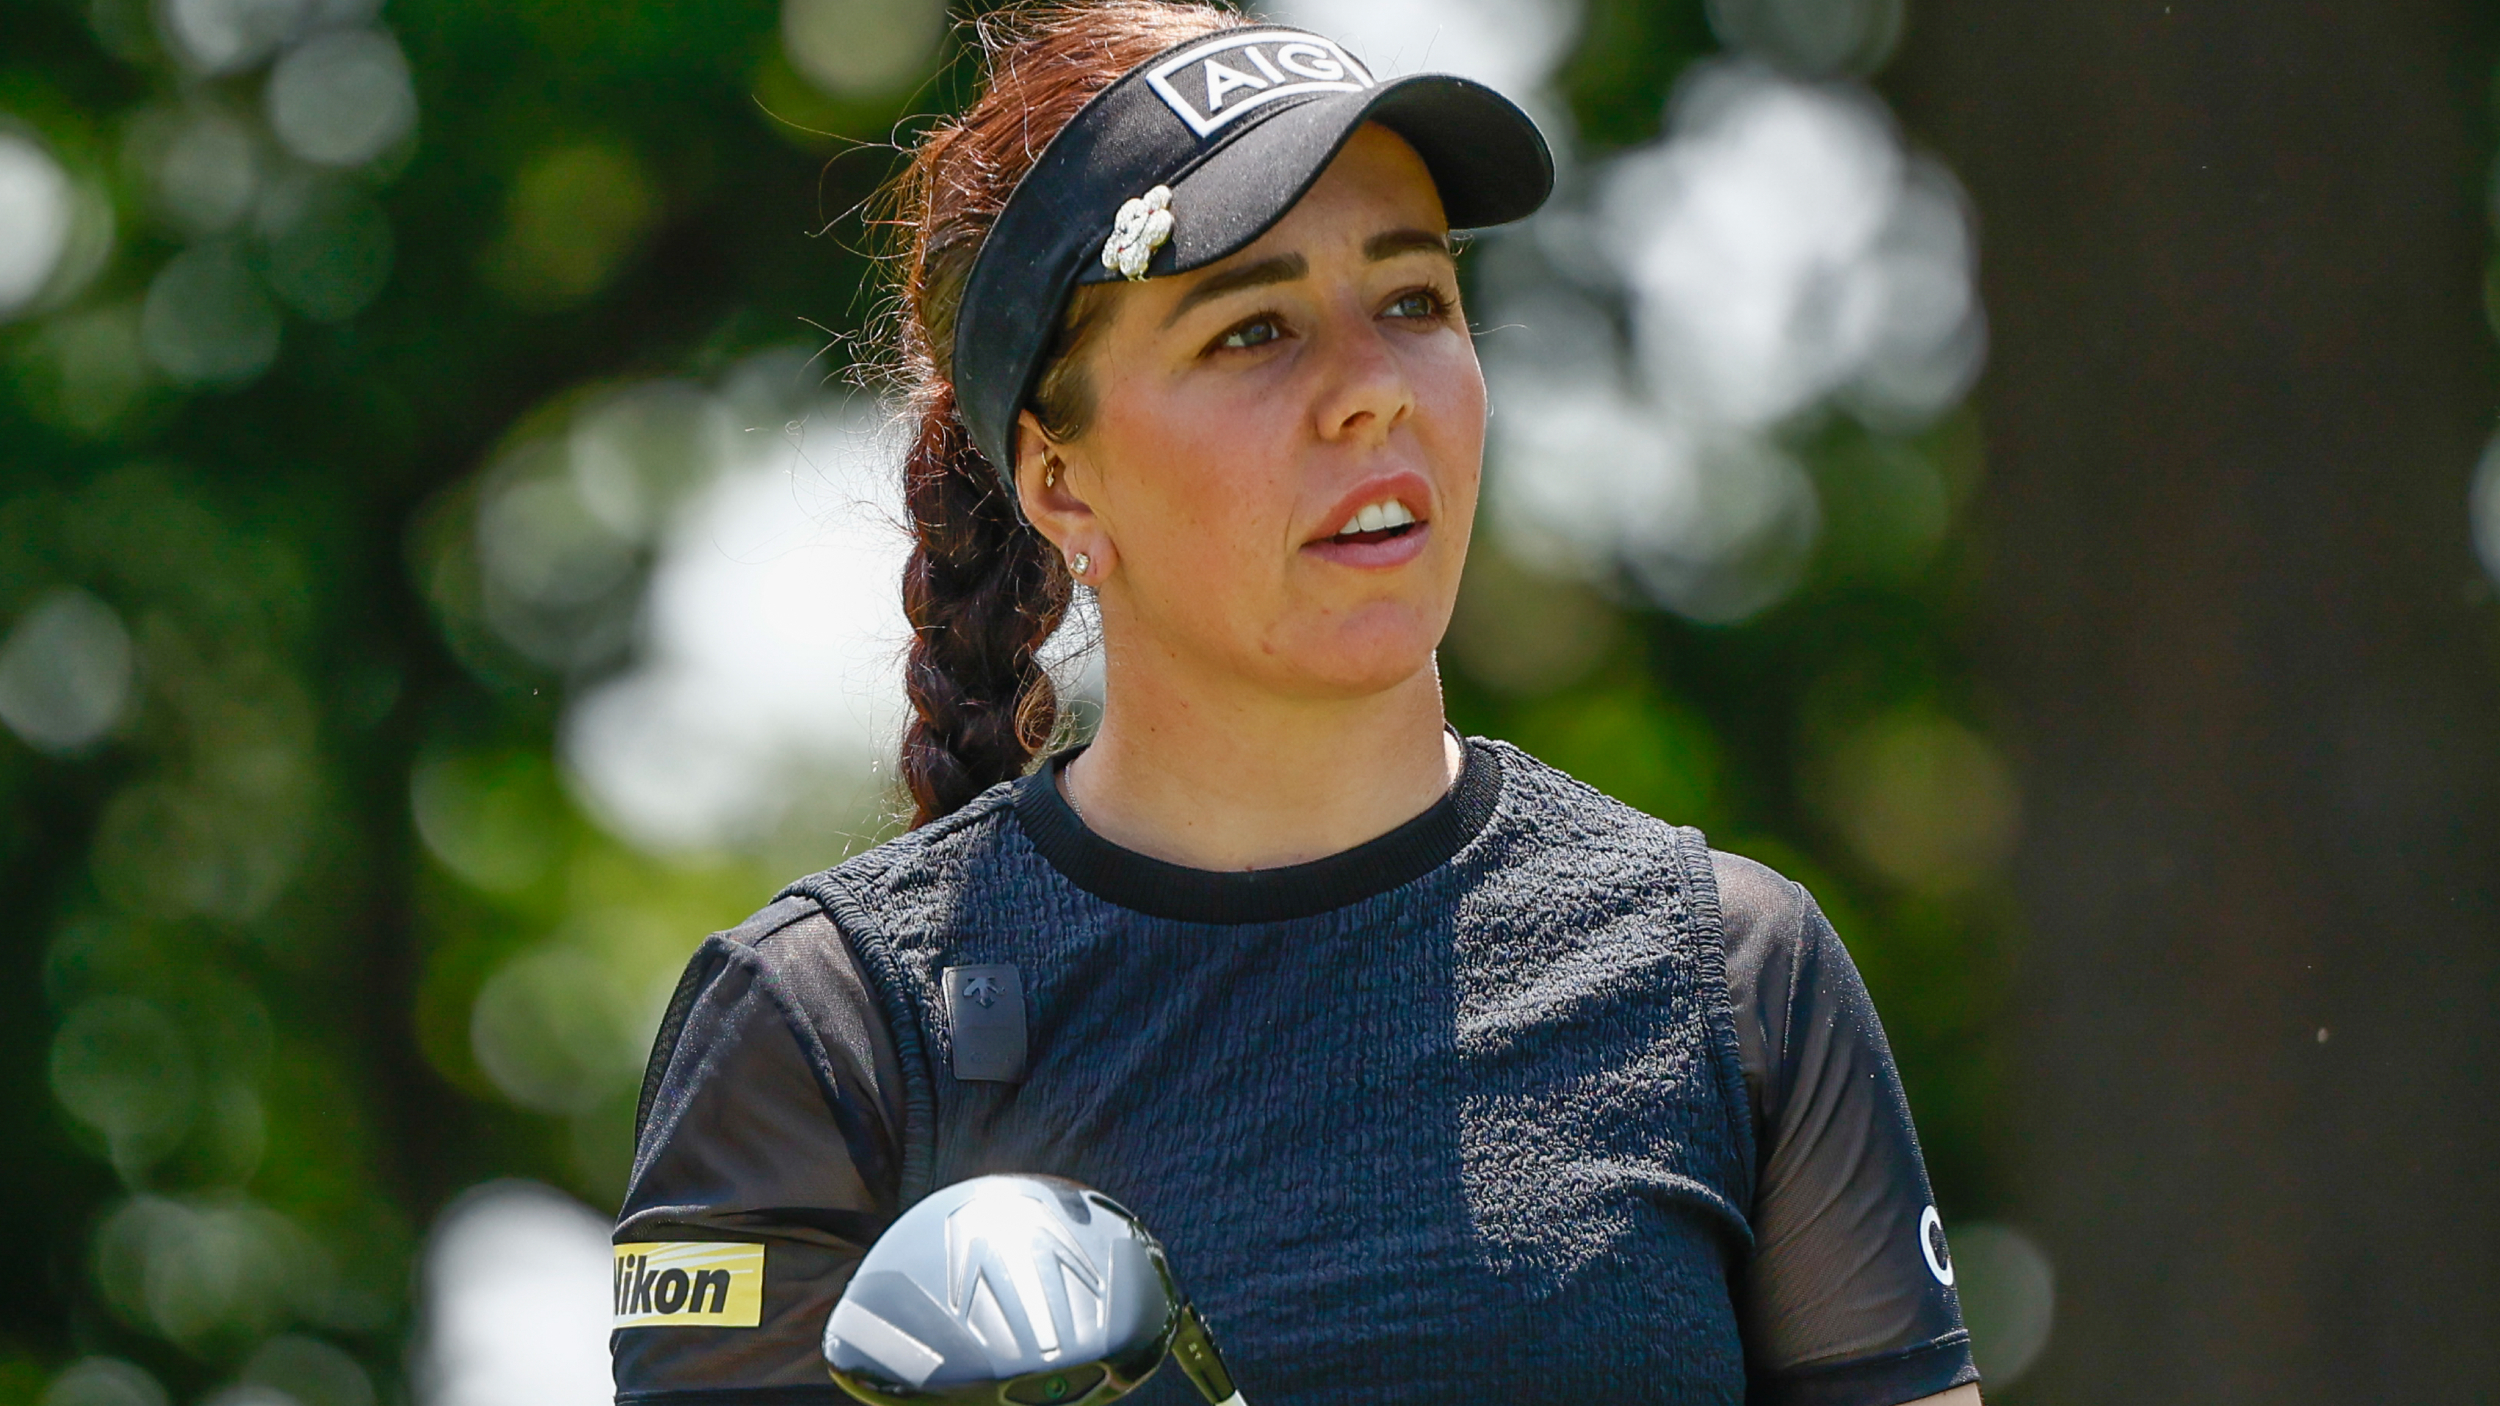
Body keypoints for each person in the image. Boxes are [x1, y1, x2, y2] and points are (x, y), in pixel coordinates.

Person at [610, 4, 1983, 1403]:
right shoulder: (824, 1028)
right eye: (1253, 328)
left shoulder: (1732, 980)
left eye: (1414, 299)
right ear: (1060, 480)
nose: (1372, 393)